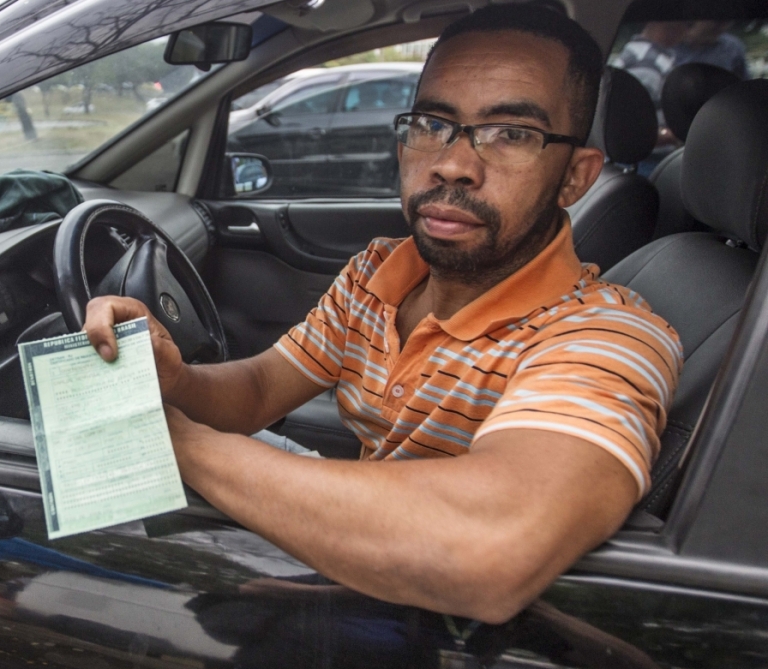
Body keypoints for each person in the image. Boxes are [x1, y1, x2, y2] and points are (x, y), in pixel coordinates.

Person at [84, 5, 682, 624]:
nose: (452, 163)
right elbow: (260, 388)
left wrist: (171, 441)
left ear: (575, 178)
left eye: (511, 134)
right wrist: (176, 380)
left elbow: (487, 546)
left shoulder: (609, 337)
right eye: (433, 124)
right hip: (366, 573)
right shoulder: (378, 272)